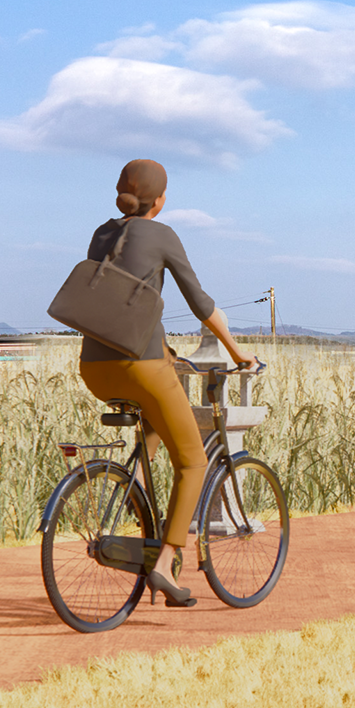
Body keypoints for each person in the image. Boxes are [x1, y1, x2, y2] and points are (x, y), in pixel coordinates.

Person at [78, 158, 253, 608]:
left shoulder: (101, 233)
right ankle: (162, 567)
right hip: (141, 366)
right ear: (160, 200)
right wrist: (236, 352)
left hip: (94, 367)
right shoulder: (163, 234)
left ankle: (135, 483)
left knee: (158, 410)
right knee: (193, 461)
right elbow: (200, 303)